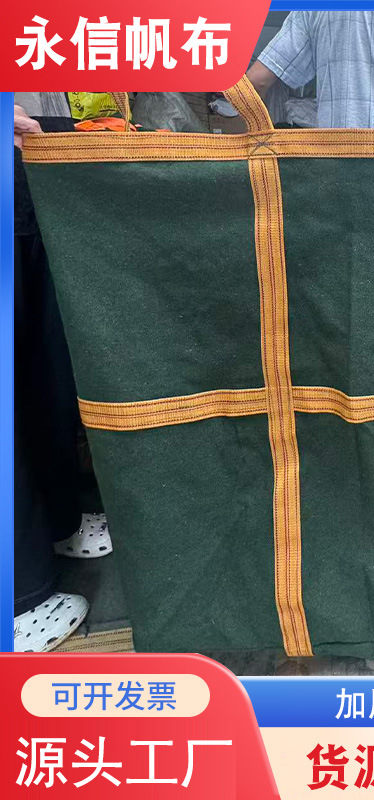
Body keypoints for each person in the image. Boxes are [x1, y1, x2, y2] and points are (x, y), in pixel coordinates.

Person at [13, 99, 113, 653]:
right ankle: (19, 599)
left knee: (42, 368)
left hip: (27, 160)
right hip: (23, 146)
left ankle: (60, 521)